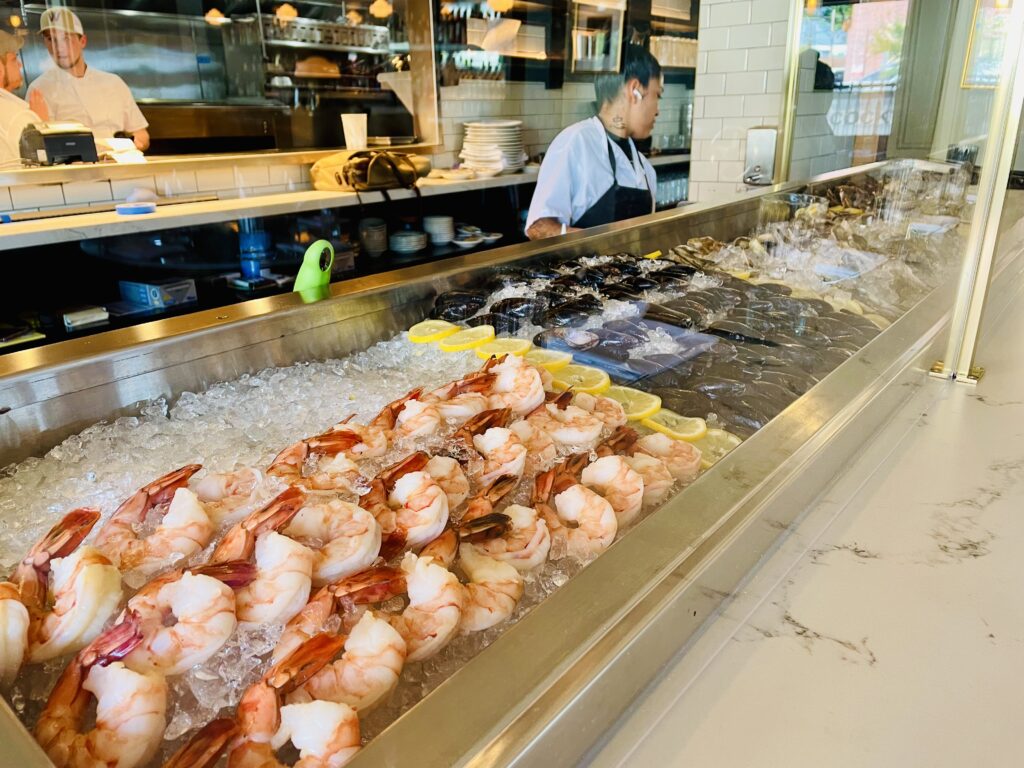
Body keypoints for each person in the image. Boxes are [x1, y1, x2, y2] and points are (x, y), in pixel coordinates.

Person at [525, 46, 662, 240]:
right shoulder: (575, 143)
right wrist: (603, 244)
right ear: (635, 90)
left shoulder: (645, 168)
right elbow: (538, 228)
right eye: (658, 95)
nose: (658, 110)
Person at [27, 7, 149, 151]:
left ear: (83, 41)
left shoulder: (114, 83)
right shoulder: (39, 89)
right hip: (74, 170)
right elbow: (37, 146)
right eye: (50, 39)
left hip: (121, 164)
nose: (58, 47)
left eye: (66, 38)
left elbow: (141, 133)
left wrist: (133, 143)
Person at [0, 26, 47, 164]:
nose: (20, 65)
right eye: (14, 59)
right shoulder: (17, 115)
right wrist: (41, 123)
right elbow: (43, 160)